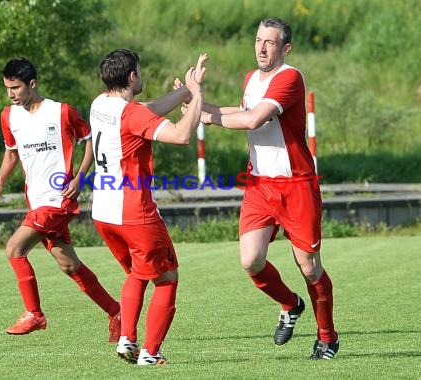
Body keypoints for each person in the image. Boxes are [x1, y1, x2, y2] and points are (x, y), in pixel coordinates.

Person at [198, 17, 339, 360]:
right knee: (251, 259)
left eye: (270, 42)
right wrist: (196, 105)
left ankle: (327, 337)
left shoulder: (290, 77)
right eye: (258, 39)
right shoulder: (251, 79)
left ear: (285, 48)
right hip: (260, 185)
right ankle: (290, 304)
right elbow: (242, 110)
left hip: (296, 185)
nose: (262, 47)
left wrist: (210, 118)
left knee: (309, 267)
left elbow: (253, 119)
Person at [0, 58, 121, 341]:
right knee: (69, 265)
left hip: (58, 201)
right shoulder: (9, 117)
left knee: (14, 249)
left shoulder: (61, 112)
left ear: (32, 84)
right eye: (7, 88)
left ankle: (34, 314)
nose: (11, 94)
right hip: (36, 202)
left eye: (16, 88)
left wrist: (80, 178)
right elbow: (11, 152)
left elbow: (90, 142)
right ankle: (116, 312)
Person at [89, 49, 206, 366]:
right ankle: (151, 354)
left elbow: (149, 110)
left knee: (138, 273)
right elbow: (182, 135)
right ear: (131, 76)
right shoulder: (131, 114)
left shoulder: (101, 104)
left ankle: (127, 340)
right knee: (167, 278)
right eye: (139, 71)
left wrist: (185, 88)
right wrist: (196, 96)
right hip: (134, 213)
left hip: (103, 213)